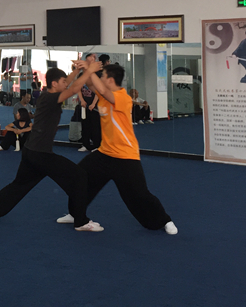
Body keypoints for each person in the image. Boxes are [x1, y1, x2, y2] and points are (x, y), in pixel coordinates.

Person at [0, 63, 104, 232]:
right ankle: (80, 221)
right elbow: (74, 89)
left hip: (30, 152)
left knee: (18, 185)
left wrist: (78, 70)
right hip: (42, 155)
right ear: (54, 84)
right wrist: (89, 71)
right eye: (63, 81)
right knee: (79, 176)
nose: (66, 83)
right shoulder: (52, 98)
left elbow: (69, 83)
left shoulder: (46, 95)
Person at [58, 62, 177, 235]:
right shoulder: (103, 95)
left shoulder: (123, 98)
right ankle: (75, 213)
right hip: (104, 153)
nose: (100, 78)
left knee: (139, 194)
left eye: (103, 76)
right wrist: (85, 68)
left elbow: (103, 90)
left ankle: (164, 220)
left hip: (125, 156)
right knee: (80, 177)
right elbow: (90, 83)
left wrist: (90, 69)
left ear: (110, 80)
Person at [79, 54, 107, 152]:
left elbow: (99, 90)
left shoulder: (98, 74)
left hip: (95, 105)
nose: (92, 59)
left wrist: (94, 103)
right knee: (85, 125)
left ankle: (97, 145)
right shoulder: (81, 75)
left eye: (94, 58)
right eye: (90, 57)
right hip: (84, 104)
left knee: (96, 125)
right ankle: (85, 144)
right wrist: (82, 100)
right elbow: (78, 88)